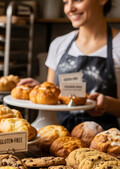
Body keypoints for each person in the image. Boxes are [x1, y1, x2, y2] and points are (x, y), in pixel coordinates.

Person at [19, 0, 120, 131]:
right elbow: (53, 99)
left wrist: (107, 103)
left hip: (104, 140)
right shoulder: (59, 44)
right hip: (58, 135)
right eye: (66, 2)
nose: (69, 8)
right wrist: (40, 88)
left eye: (77, 0)